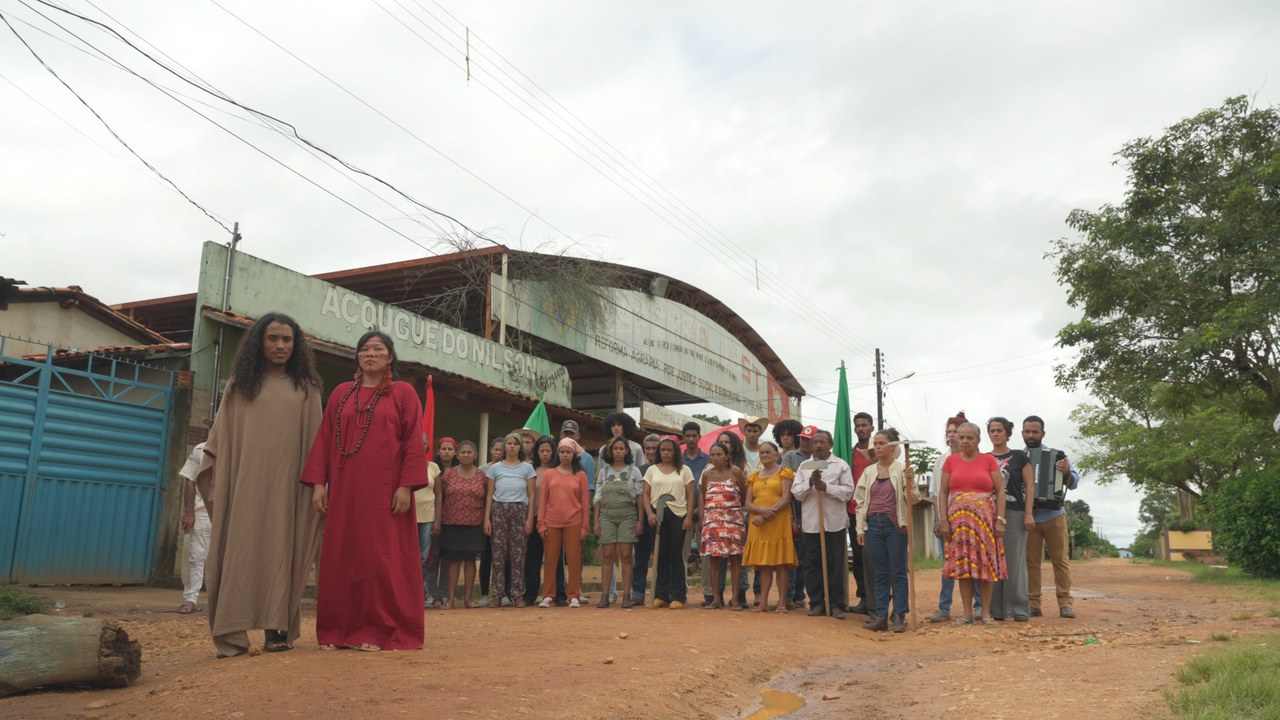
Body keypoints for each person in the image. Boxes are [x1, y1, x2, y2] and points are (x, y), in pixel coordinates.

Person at [195, 312, 323, 657]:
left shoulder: (306, 390)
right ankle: (232, 633)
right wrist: (215, 483)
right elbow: (220, 440)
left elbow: (317, 445)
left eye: (287, 340)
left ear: (296, 346)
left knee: (284, 550)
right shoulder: (239, 386)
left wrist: (319, 486)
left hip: (290, 489)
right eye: (273, 338)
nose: (280, 346)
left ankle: (276, 628)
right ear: (259, 343)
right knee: (238, 550)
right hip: (243, 486)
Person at [301, 330, 429, 651]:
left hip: (386, 493)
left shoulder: (403, 393)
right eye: (364, 349)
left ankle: (377, 631)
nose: (370, 354)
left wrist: (405, 487)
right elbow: (325, 440)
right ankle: (336, 631)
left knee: (378, 560)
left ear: (389, 357)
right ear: (357, 357)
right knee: (341, 557)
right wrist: (319, 484)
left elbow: (414, 442)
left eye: (378, 349)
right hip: (345, 492)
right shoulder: (343, 393)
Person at [937, 421, 1007, 627]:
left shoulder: (989, 461)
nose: (965, 441)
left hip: (985, 523)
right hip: (958, 525)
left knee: (985, 566)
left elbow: (1000, 491)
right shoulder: (950, 461)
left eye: (970, 437)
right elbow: (943, 492)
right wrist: (943, 520)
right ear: (956, 439)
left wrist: (1000, 520)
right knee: (963, 567)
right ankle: (967, 614)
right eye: (962, 437)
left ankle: (985, 613)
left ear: (978, 440)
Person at [854, 429, 919, 633]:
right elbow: (860, 502)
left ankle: (899, 615)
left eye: (882, 443)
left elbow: (914, 499)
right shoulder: (869, 472)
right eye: (876, 444)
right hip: (873, 524)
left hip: (895, 524)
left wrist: (910, 481)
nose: (877, 447)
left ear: (892, 446)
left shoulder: (902, 470)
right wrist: (860, 529)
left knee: (898, 571)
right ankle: (880, 615)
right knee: (880, 573)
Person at [791, 430, 855, 620]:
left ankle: (836, 603)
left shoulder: (840, 465)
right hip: (812, 523)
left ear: (830, 444)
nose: (818, 445)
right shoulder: (805, 466)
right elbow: (796, 493)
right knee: (812, 564)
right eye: (815, 442)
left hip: (834, 523)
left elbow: (848, 492)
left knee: (835, 563)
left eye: (822, 442)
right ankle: (817, 602)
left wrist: (827, 488)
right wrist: (810, 483)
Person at [1022, 415, 1081, 619]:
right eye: (1027, 431)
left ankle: (1065, 603)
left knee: (1060, 561)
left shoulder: (1058, 456)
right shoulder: (1018, 457)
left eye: (1035, 432)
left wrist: (1065, 473)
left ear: (1042, 433)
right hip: (1029, 519)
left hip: (1055, 516)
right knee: (1031, 563)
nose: (1031, 435)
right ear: (1022, 433)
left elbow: (1073, 483)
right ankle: (1033, 604)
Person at [929, 412, 979, 623]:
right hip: (948, 519)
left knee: (974, 562)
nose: (951, 436)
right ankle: (944, 607)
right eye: (948, 432)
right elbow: (936, 493)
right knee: (948, 565)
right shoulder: (941, 460)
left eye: (955, 432)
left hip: (971, 520)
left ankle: (979, 606)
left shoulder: (979, 459)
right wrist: (939, 520)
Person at [988, 417, 1035, 622]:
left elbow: (1030, 486)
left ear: (1007, 433)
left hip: (1015, 512)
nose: (996, 434)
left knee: (1014, 561)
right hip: (989, 513)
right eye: (992, 430)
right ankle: (995, 609)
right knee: (992, 561)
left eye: (999, 430)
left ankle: (1019, 608)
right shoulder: (984, 458)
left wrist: (1028, 513)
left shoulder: (1019, 457)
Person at [742, 442, 797, 613]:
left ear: (776, 454)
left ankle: (782, 603)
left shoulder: (785, 473)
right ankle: (763, 603)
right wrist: (761, 511)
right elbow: (747, 503)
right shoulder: (754, 476)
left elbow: (787, 497)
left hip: (778, 521)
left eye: (768, 452)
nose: (765, 455)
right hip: (758, 523)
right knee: (764, 564)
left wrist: (766, 514)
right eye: (762, 452)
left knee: (781, 563)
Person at [484, 433, 536, 608]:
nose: (512, 446)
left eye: (515, 443)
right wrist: (487, 519)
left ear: (520, 447)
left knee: (518, 554)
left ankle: (518, 594)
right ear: (504, 447)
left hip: (520, 511)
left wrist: (530, 519)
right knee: (498, 554)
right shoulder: (495, 469)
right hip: (499, 510)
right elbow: (489, 495)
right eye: (509, 443)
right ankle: (497, 594)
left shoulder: (527, 468)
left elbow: (532, 495)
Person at [538, 438, 591, 607]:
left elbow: (585, 503)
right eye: (562, 452)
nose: (565, 455)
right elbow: (543, 501)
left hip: (574, 522)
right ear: (558, 454)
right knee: (551, 560)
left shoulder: (581, 475)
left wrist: (585, 526)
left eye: (568, 452)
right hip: (551, 522)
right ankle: (548, 595)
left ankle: (574, 595)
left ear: (574, 455)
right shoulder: (549, 474)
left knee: (574, 560)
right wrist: (541, 523)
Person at [433, 440, 487, 608]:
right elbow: (440, 496)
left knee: (470, 561)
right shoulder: (448, 474)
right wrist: (438, 520)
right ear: (458, 454)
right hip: (451, 522)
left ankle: (468, 599)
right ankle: (450, 599)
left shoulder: (481, 475)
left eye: (469, 452)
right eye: (462, 452)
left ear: (475, 455)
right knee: (453, 561)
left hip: (474, 523)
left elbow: (486, 499)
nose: (465, 455)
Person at [643, 437, 695, 608]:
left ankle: (678, 596)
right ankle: (661, 594)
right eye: (663, 450)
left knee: (676, 555)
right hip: (657, 515)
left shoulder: (684, 470)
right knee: (660, 555)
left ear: (675, 452)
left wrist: (688, 517)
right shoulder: (651, 470)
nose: (665, 453)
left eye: (669, 450)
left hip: (678, 515)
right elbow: (645, 494)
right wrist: (649, 513)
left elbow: (690, 495)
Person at [593, 437, 644, 608]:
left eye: (622, 448)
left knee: (627, 556)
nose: (618, 451)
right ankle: (605, 595)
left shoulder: (634, 471)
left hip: (628, 515)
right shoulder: (604, 472)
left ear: (627, 451)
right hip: (607, 515)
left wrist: (640, 520)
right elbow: (598, 497)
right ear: (610, 451)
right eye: (615, 449)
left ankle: (627, 596)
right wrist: (596, 522)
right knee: (607, 556)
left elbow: (639, 497)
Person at [700, 442, 747, 610]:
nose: (715, 458)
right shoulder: (707, 474)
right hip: (712, 522)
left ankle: (735, 599)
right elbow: (703, 496)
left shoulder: (736, 473)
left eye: (719, 454)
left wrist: (730, 511)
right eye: (712, 454)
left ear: (727, 456)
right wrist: (703, 519)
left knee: (735, 559)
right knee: (714, 560)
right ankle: (716, 599)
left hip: (733, 522)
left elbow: (744, 496)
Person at [524, 435, 567, 606]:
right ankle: (530, 594)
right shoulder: (529, 469)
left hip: (553, 519)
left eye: (548, 451)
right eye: (542, 451)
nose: (545, 454)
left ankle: (559, 594)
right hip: (532, 517)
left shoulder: (559, 470)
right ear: (537, 452)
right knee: (532, 558)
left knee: (554, 558)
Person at [781, 425, 816, 609]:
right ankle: (788, 595)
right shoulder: (790, 456)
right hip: (792, 512)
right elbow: (786, 478)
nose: (804, 442)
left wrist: (799, 478)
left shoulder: (818, 459)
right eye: (802, 438)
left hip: (811, 512)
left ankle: (799, 595)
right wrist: (802, 479)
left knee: (805, 556)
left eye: (808, 439)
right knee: (791, 554)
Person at [628, 432, 664, 603]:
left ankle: (661, 592)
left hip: (664, 518)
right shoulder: (639, 470)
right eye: (647, 448)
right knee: (641, 557)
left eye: (654, 448)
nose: (651, 451)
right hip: (642, 518)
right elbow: (636, 497)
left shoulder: (667, 469)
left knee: (663, 556)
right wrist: (640, 519)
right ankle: (638, 593)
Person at [846, 411, 876, 615]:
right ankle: (864, 599)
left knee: (876, 558)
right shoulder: (849, 452)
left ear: (872, 427)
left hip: (876, 510)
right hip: (854, 511)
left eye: (864, 425)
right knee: (858, 558)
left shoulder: (878, 451)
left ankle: (879, 601)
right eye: (857, 425)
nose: (860, 429)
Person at [424, 437, 457, 608]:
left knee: (447, 557)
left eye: (450, 449)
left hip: (452, 519)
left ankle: (444, 594)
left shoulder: (460, 470)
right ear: (438, 451)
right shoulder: (433, 468)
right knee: (431, 557)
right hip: (432, 517)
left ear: (455, 452)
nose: (447, 452)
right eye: (443, 448)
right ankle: (430, 593)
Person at [178, 442, 210, 614]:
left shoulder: (238, 448)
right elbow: (190, 480)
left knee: (224, 560)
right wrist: (189, 512)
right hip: (202, 511)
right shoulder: (201, 450)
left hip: (227, 513)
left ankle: (220, 603)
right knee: (196, 555)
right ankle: (190, 598)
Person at [414, 437, 441, 609]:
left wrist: (438, 519)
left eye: (423, 443)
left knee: (423, 558)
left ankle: (418, 593)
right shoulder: (403, 465)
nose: (419, 445)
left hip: (428, 517)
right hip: (406, 518)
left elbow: (439, 494)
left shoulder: (433, 467)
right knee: (407, 558)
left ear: (427, 447)